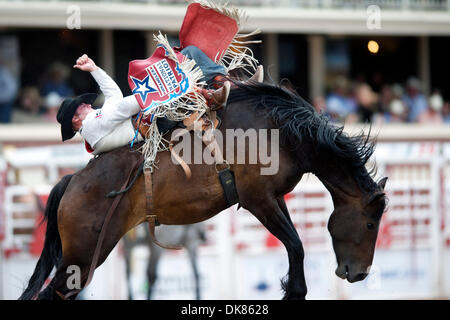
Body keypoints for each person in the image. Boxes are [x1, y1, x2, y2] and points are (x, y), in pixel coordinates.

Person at [56, 52, 238, 154]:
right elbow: (120, 108)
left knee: (187, 54)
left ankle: (224, 83)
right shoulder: (90, 126)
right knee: (182, 64)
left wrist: (94, 70)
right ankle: (214, 94)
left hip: (151, 117)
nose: (86, 104)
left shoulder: (95, 123)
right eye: (81, 105)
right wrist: (154, 92)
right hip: (154, 121)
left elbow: (114, 97)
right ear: (74, 119)